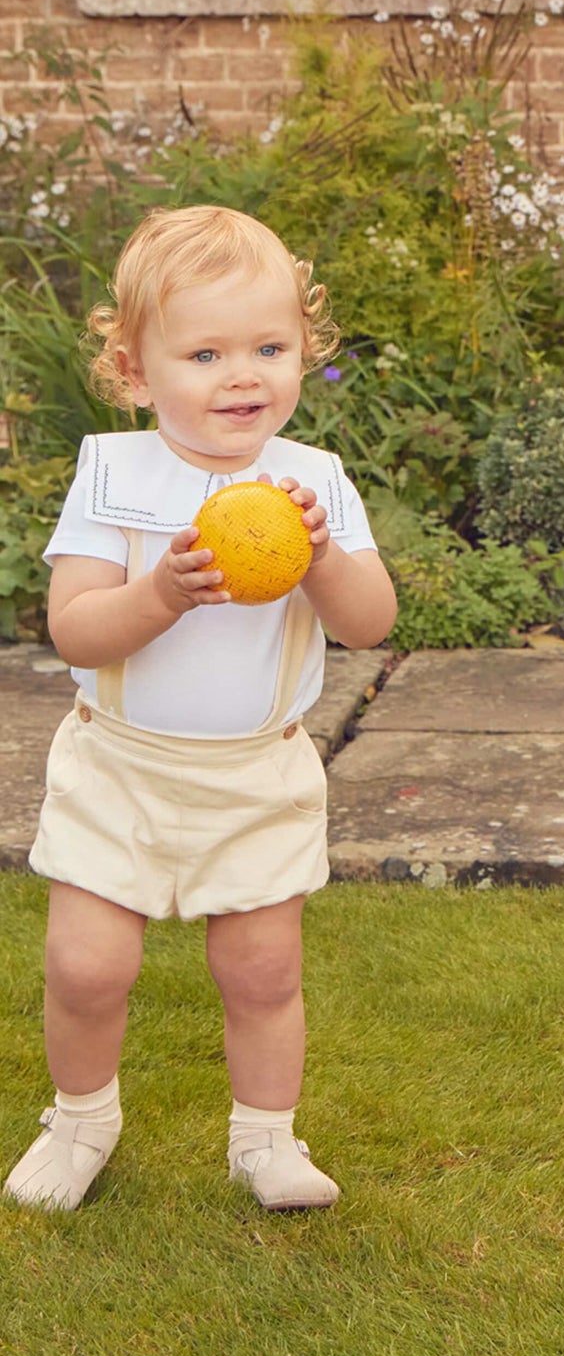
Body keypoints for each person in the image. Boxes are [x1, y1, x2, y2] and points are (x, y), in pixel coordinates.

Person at [4, 206, 396, 1214]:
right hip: (121, 765)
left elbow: (369, 622)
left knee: (263, 968)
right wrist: (163, 592)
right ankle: (82, 1117)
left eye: (269, 346)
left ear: (304, 351)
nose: (243, 373)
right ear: (138, 372)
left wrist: (320, 557)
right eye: (207, 350)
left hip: (254, 770)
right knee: (87, 964)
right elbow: (77, 630)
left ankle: (266, 1138)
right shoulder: (116, 472)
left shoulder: (312, 484)